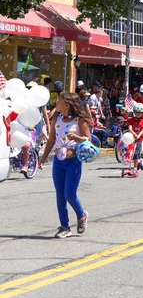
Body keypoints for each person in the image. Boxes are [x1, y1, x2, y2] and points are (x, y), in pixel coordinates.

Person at [38, 92, 92, 239]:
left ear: (67, 104)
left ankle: (81, 215)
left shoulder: (79, 120)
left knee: (69, 194)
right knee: (60, 195)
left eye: (59, 101)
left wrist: (77, 138)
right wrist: (43, 158)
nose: (57, 103)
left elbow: (89, 140)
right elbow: (51, 140)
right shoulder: (57, 118)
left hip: (73, 161)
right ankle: (64, 226)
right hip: (58, 161)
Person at [124, 103, 143, 176]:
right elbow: (130, 128)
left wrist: (138, 136)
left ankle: (134, 168)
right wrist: (134, 134)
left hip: (139, 139)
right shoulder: (132, 120)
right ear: (134, 112)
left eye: (139, 113)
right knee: (131, 152)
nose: (137, 114)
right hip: (132, 138)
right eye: (136, 113)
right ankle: (136, 163)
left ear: (142, 113)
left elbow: (142, 130)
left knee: (137, 153)